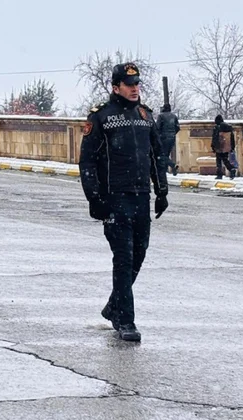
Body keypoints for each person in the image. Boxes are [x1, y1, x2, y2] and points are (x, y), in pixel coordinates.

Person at [79, 62, 169, 342]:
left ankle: (113, 306)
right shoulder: (101, 117)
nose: (135, 89)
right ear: (116, 87)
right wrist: (95, 199)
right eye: (129, 85)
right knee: (123, 258)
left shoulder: (145, 115)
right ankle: (126, 321)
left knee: (138, 255)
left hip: (142, 196)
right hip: (115, 199)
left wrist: (162, 191)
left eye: (137, 84)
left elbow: (156, 155)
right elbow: (87, 161)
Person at [156, 103, 181, 176]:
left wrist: (158, 136)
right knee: (166, 154)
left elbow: (157, 127)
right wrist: (172, 133)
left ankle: (172, 165)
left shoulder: (161, 116)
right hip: (172, 138)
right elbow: (178, 127)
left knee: (161, 155)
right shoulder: (174, 116)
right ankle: (165, 171)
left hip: (163, 138)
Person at [211, 114, 237, 179]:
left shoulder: (217, 127)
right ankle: (231, 169)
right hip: (226, 146)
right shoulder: (228, 127)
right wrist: (232, 147)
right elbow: (232, 138)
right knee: (225, 159)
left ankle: (220, 174)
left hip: (219, 146)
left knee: (219, 160)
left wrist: (213, 146)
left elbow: (215, 138)